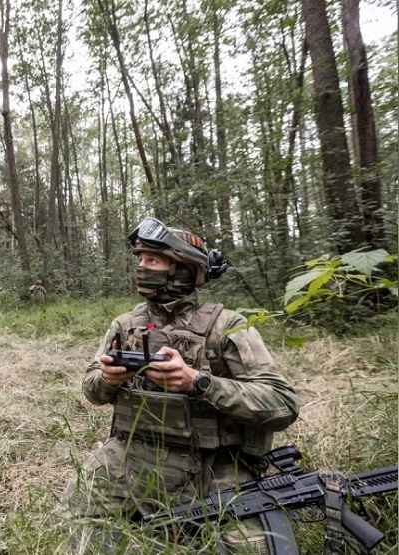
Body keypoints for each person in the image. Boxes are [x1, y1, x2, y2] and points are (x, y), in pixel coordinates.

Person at [60, 217, 299, 553]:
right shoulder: (126, 325)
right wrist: (107, 380)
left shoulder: (227, 326)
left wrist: (198, 382)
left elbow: (283, 403)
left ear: (183, 270)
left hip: (216, 463)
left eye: (153, 260)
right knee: (80, 519)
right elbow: (91, 389)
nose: (142, 267)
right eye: (140, 259)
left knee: (252, 547)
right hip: (134, 454)